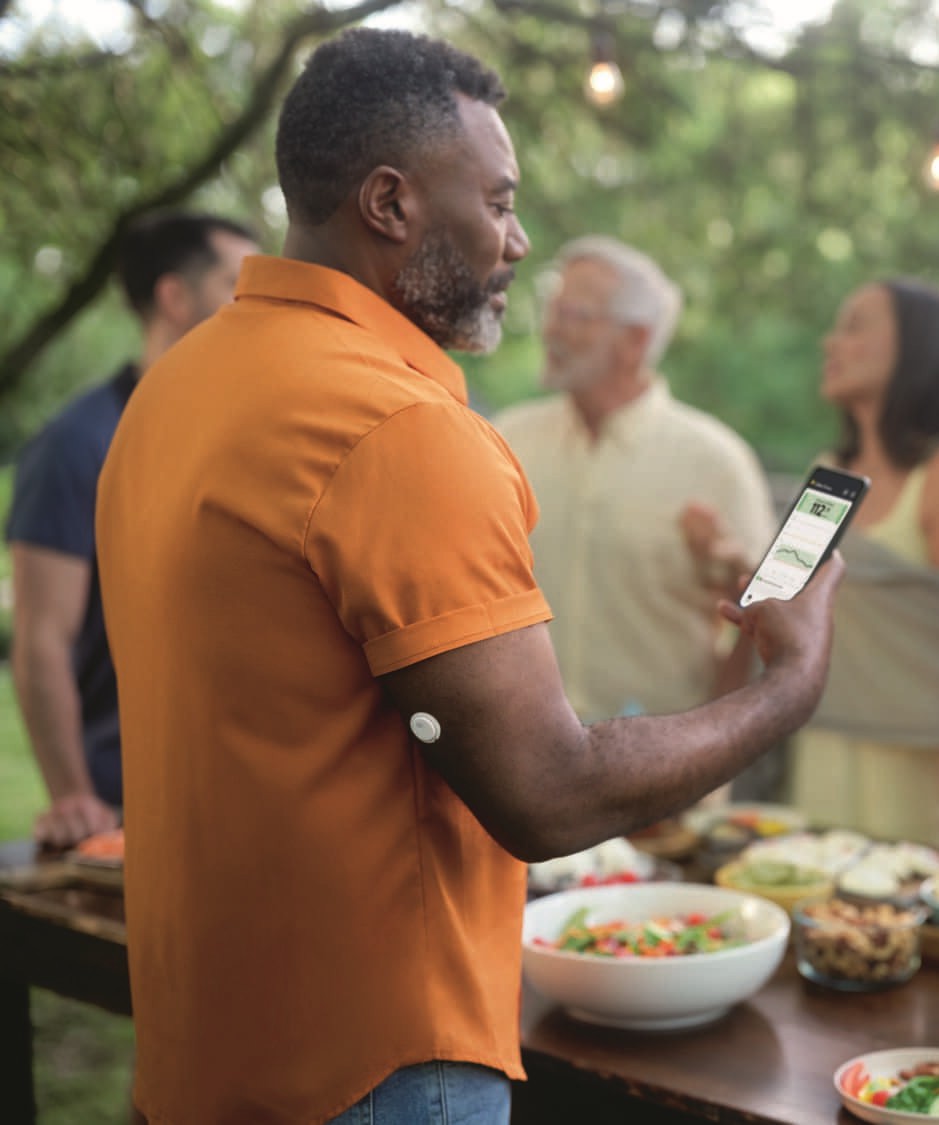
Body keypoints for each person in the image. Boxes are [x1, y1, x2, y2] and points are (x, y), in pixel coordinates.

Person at [94, 27, 843, 1125]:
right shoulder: (394, 424)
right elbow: (547, 791)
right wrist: (787, 687)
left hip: (203, 1034)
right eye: (497, 201)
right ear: (390, 203)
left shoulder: (176, 385)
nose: (518, 240)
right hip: (376, 1057)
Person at [6, 210, 259, 849]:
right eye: (237, 284)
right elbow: (42, 640)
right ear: (174, 297)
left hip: (241, 792)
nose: (258, 304)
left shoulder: (244, 430)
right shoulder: (75, 446)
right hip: (128, 801)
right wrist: (73, 797)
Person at [494, 237, 777, 725]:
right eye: (552, 309)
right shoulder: (506, 441)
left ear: (636, 340)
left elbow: (762, 623)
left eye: (576, 314)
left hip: (659, 755)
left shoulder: (716, 461)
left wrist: (712, 741)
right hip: (516, 744)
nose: (551, 328)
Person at [784, 277, 939, 844]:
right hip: (826, 748)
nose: (830, 343)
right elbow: (789, 596)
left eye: (854, 327)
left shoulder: (932, 479)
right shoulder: (828, 474)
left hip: (916, 765)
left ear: (917, 346)